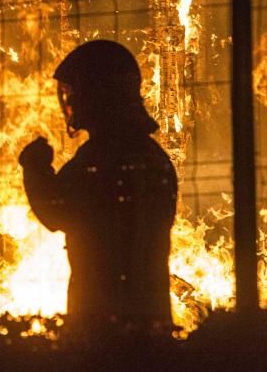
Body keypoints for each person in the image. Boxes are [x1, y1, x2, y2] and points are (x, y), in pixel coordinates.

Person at [19, 40, 177, 330]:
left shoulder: (101, 156)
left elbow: (57, 212)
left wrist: (35, 167)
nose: (70, 103)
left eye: (74, 93)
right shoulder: (153, 158)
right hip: (150, 312)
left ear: (97, 94)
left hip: (100, 318)